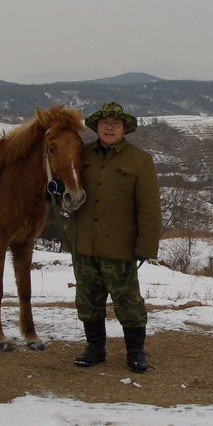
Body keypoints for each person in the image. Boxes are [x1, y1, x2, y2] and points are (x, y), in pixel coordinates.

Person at [69, 102, 162, 373]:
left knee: (129, 303)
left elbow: (149, 208)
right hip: (84, 242)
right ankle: (95, 349)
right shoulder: (81, 154)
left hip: (120, 247)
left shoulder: (140, 160)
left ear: (124, 129)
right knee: (88, 301)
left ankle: (135, 353)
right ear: (97, 127)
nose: (109, 128)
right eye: (104, 123)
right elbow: (66, 187)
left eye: (116, 123)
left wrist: (145, 246)